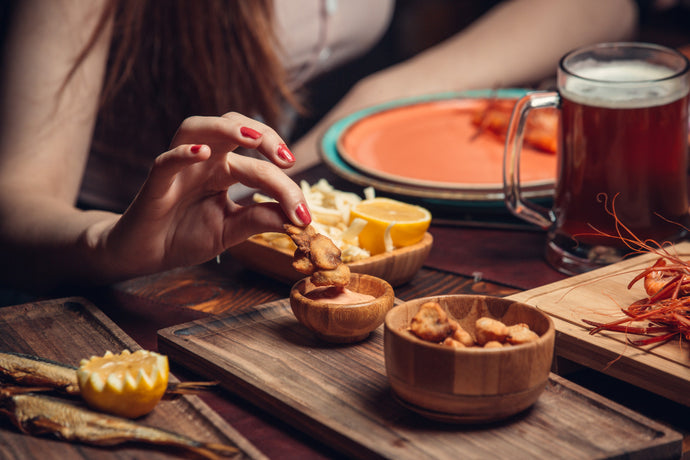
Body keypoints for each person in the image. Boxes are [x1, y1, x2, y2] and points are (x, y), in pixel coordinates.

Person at [0, 0, 638, 294]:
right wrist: (105, 243)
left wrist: (374, 102)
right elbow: (15, 201)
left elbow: (599, 10)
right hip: (105, 267)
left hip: (266, 213)